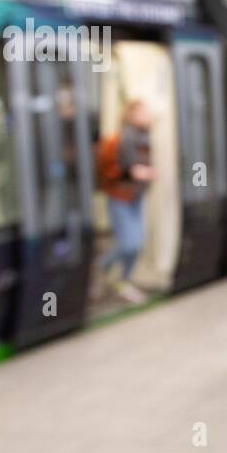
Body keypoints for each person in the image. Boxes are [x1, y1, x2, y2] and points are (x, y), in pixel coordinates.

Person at [97, 99, 155, 305]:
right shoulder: (126, 138)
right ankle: (104, 270)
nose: (149, 116)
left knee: (135, 242)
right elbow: (133, 169)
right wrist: (143, 173)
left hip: (134, 196)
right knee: (129, 243)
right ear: (132, 115)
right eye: (144, 112)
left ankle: (119, 278)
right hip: (120, 197)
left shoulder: (144, 136)